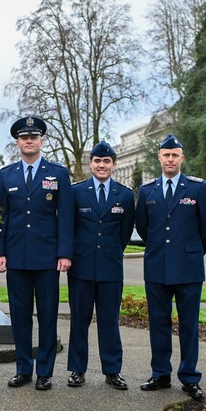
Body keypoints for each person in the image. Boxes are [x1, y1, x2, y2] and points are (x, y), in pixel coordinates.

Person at [135, 133, 206, 400]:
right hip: (157, 267)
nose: (170, 159)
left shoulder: (197, 188)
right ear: (159, 158)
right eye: (165, 155)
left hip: (189, 268)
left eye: (175, 155)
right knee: (158, 323)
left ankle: (189, 377)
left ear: (182, 158)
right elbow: (143, 226)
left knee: (189, 325)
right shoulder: (147, 190)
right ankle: (160, 374)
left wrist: (191, 252)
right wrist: (163, 249)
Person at [0, 116, 73, 390]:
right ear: (17, 142)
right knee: (19, 315)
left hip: (48, 256)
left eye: (34, 137)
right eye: (24, 137)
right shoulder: (6, 175)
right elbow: (2, 217)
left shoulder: (58, 173)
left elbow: (65, 216)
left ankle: (45, 372)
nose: (29, 141)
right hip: (16, 255)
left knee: (48, 315)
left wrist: (65, 253)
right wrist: (0, 251)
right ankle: (23, 368)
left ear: (41, 141)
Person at [66, 141, 134, 390]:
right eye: (97, 161)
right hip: (81, 267)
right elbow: (69, 228)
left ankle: (112, 370)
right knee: (79, 320)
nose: (101, 165)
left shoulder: (125, 195)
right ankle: (77, 369)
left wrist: (111, 253)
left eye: (106, 161)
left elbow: (124, 233)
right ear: (90, 164)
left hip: (110, 267)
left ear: (113, 165)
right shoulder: (75, 192)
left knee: (109, 320)